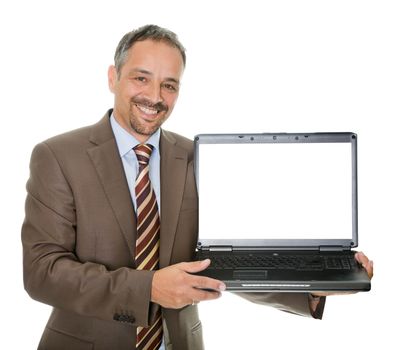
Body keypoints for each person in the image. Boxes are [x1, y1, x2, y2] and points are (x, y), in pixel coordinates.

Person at [22, 24, 373, 350]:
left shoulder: (194, 157)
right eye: (141, 78)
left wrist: (311, 288)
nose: (154, 96)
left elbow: (223, 262)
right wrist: (149, 288)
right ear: (113, 77)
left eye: (169, 85)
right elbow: (43, 271)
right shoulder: (58, 156)